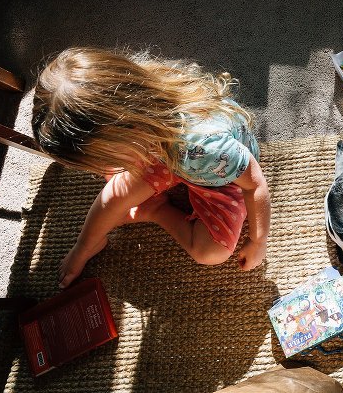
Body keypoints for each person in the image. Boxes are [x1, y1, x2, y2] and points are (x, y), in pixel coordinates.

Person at [31, 47, 270, 288]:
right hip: (167, 148)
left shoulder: (205, 148)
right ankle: (86, 244)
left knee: (210, 252)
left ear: (125, 129)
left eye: (104, 158)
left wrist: (258, 240)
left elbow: (255, 184)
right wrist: (82, 248)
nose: (100, 169)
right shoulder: (138, 99)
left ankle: (157, 210)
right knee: (116, 195)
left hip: (219, 175)